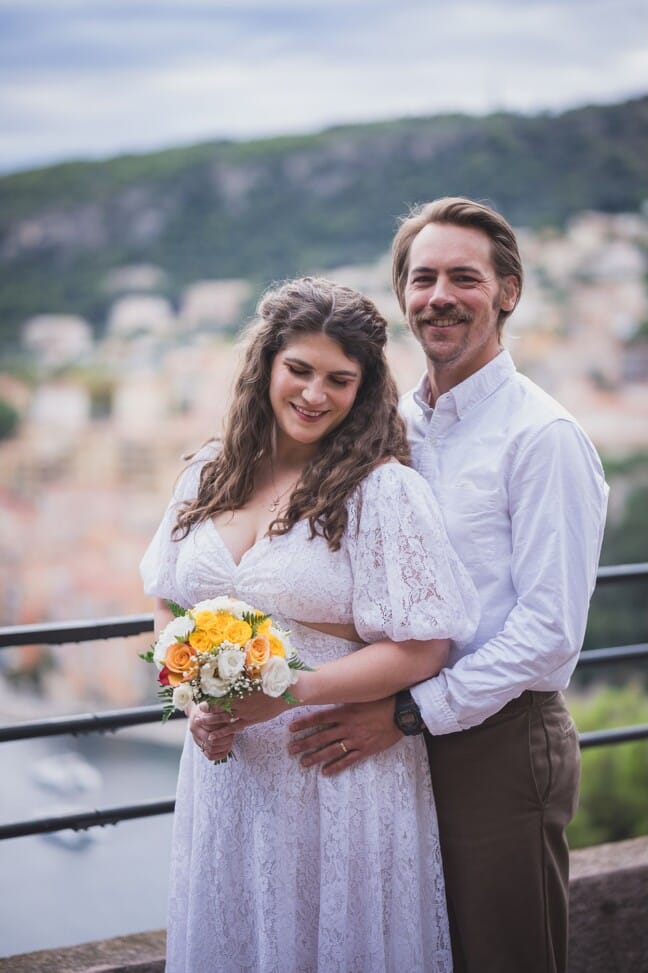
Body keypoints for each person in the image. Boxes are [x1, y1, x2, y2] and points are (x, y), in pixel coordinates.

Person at [202, 197, 609, 972]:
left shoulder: (543, 437)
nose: (439, 296)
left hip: (496, 736)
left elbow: (550, 632)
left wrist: (408, 711)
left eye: (464, 277)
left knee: (502, 954)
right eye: (422, 278)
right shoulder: (388, 426)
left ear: (508, 292)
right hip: (385, 735)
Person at [140, 277, 479, 973]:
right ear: (266, 363)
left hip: (333, 772)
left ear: (364, 388)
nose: (314, 393)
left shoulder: (381, 492)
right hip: (226, 778)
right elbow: (170, 600)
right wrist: (192, 698)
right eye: (299, 369)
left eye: (339, 379)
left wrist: (290, 691)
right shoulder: (207, 472)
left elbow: (425, 644)